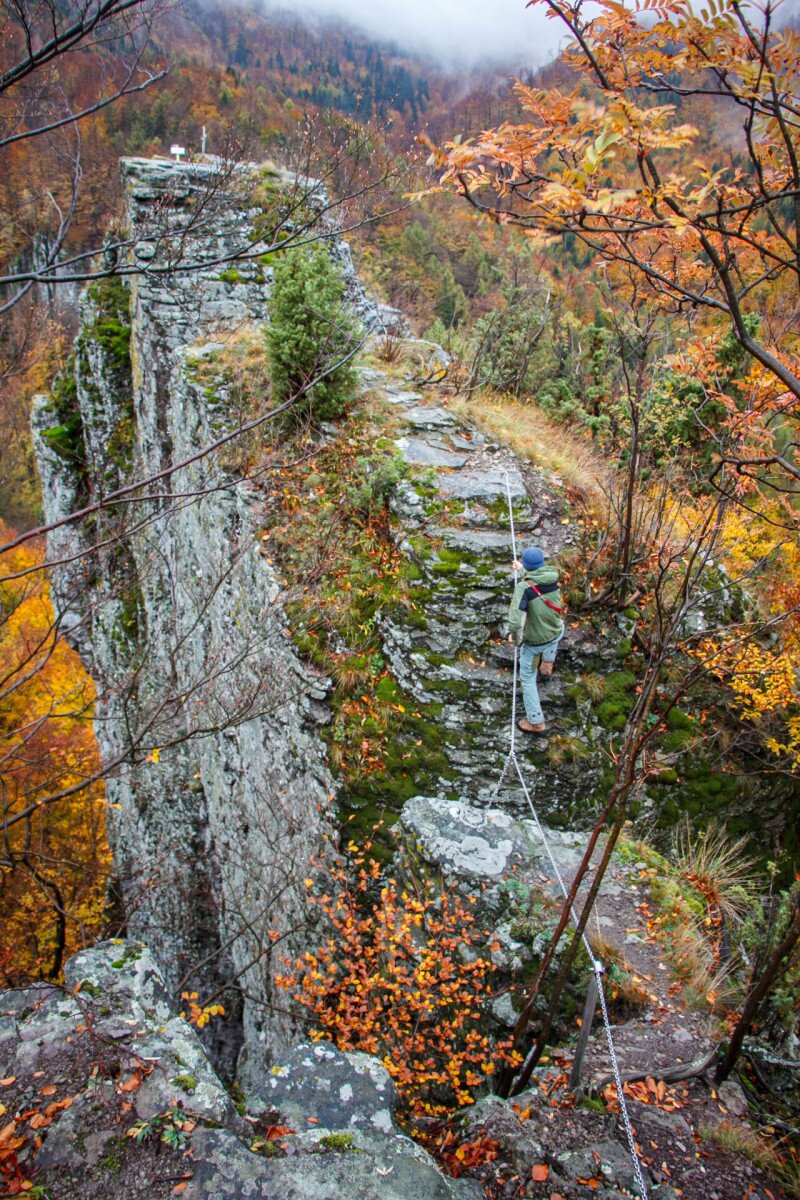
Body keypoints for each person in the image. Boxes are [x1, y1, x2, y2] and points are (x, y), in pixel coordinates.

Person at [507, 547, 564, 736]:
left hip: (536, 642)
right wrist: (522, 569)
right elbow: (537, 579)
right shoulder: (552, 576)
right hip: (556, 631)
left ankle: (535, 721)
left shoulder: (523, 588)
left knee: (527, 677)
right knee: (555, 632)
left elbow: (516, 622)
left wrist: (516, 640)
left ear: (527, 565)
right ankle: (546, 667)